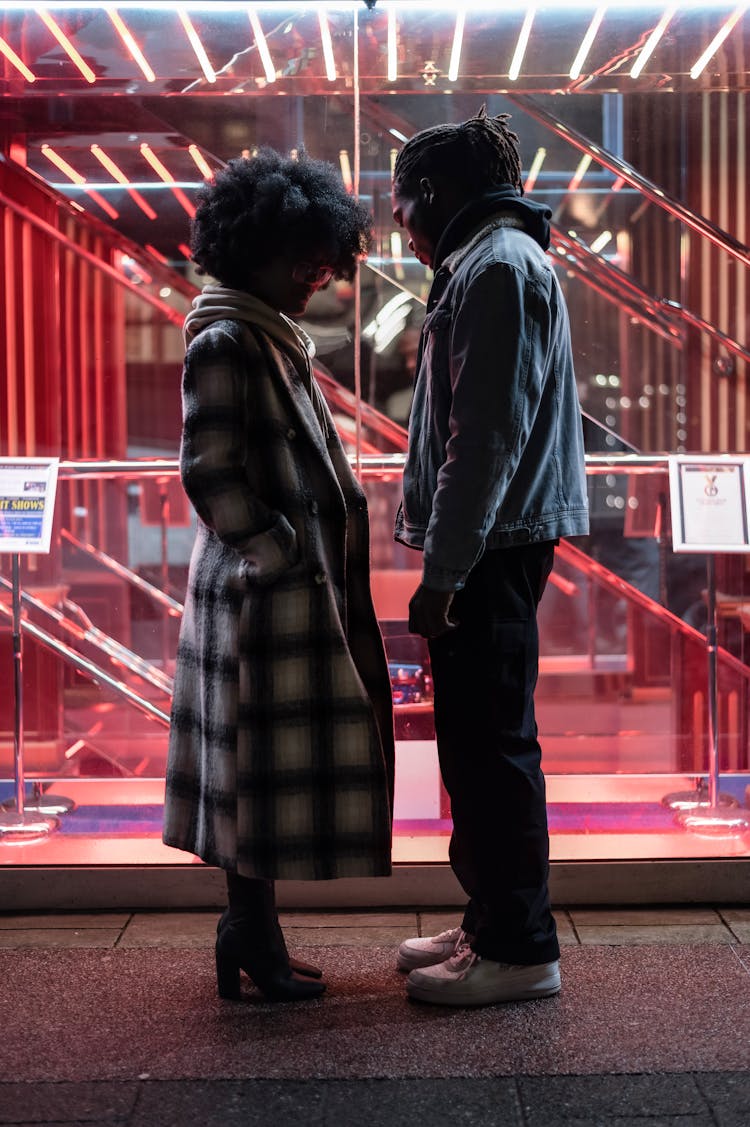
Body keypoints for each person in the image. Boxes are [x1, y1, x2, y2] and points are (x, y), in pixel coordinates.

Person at [163, 150, 395, 1003]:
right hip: (262, 597)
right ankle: (248, 931)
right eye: (305, 259)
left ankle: (251, 931)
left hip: (276, 594)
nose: (319, 276)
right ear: (256, 247)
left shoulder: (263, 331)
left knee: (254, 770)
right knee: (250, 769)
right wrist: (277, 553)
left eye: (323, 260)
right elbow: (209, 469)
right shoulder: (230, 337)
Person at [391, 108, 589, 1006]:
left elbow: (485, 439)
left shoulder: (498, 269)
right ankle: (490, 921)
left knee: (493, 746)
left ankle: (519, 945)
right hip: (492, 541)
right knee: (475, 744)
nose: (400, 225)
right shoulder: (489, 263)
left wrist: (444, 569)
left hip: (491, 547)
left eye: (402, 205)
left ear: (434, 194)